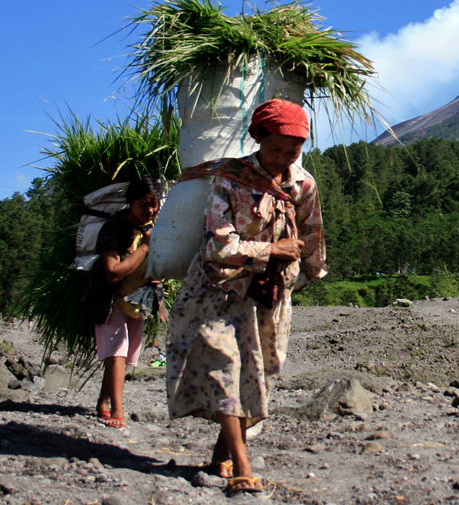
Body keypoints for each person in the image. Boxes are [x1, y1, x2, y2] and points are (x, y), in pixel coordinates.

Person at [166, 98, 326, 496]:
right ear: (258, 139)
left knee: (257, 375)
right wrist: (270, 250)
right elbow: (217, 245)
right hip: (217, 292)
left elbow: (311, 235)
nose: (282, 158)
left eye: (292, 151)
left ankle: (221, 455)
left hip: (266, 297)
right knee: (224, 369)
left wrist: (306, 272)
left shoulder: (304, 185)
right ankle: (242, 466)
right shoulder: (230, 179)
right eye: (275, 150)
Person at [94, 176, 163, 428]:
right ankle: (117, 411)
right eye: (144, 204)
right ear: (130, 202)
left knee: (122, 356)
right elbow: (112, 271)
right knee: (117, 352)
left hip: (140, 298)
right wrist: (144, 248)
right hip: (111, 298)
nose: (150, 210)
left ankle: (103, 401)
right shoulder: (114, 229)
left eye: (154, 204)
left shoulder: (155, 227)